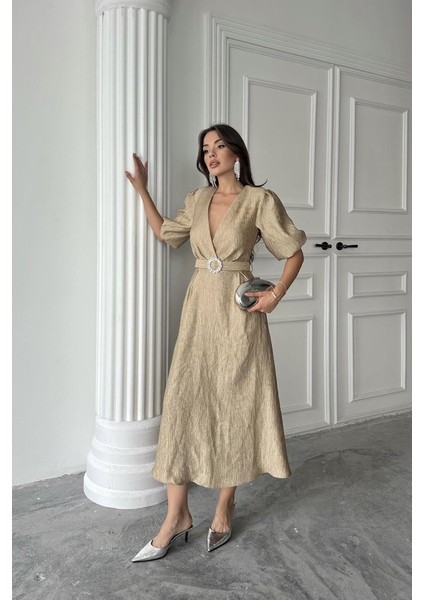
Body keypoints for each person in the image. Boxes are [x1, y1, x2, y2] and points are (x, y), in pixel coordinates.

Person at [125, 124, 306, 562]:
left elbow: (294, 251)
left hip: (238, 314)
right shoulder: (197, 198)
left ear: (236, 153)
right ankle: (176, 516)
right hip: (198, 312)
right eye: (205, 148)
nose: (211, 154)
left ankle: (225, 505)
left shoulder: (260, 201)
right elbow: (166, 233)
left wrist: (276, 294)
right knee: (184, 402)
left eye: (219, 146)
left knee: (235, 404)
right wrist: (143, 191)